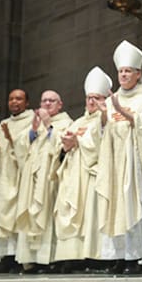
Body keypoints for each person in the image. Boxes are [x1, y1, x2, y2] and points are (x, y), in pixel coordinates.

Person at [96, 40, 142, 274]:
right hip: (114, 162)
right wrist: (105, 117)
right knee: (115, 206)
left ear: (138, 74)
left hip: (134, 164)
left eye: (128, 71)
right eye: (121, 71)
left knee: (130, 203)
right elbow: (102, 131)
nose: (123, 75)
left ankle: (134, 257)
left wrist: (125, 113)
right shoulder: (109, 101)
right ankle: (117, 257)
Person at [54, 67, 112, 265]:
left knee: (90, 214)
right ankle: (71, 257)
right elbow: (63, 146)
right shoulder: (78, 121)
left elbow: (101, 143)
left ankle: (93, 257)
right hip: (72, 175)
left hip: (92, 175)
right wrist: (66, 144)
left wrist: (80, 142)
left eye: (96, 97)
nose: (91, 102)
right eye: (89, 98)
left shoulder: (105, 118)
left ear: (105, 99)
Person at [15, 90, 72, 271]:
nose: (47, 104)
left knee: (46, 214)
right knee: (31, 213)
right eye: (44, 101)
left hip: (50, 178)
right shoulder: (36, 124)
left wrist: (48, 126)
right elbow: (21, 147)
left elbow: (63, 146)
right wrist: (32, 131)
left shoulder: (66, 122)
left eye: (51, 101)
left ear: (60, 104)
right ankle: (30, 260)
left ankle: (48, 260)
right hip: (32, 178)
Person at [0, 89, 34, 270]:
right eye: (11, 98)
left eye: (19, 99)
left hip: (20, 177)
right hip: (3, 177)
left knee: (17, 216)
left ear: (27, 102)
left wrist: (11, 139)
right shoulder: (4, 123)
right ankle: (3, 258)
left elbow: (31, 146)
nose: (14, 102)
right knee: (2, 214)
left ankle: (16, 258)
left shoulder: (31, 120)